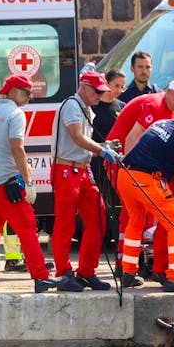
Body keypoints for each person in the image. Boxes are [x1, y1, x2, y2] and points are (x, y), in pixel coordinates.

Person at [0, 74, 71, 294]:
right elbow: (17, 148)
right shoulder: (15, 114)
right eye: (26, 93)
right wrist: (28, 181)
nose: (29, 98)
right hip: (6, 184)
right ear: (14, 91)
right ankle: (41, 278)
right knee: (27, 228)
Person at [116, 103, 174, 292]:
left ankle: (128, 273)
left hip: (125, 175)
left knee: (135, 221)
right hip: (146, 180)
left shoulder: (162, 124)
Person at [49, 70, 119, 292]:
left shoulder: (86, 108)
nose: (100, 96)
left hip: (82, 169)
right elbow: (77, 137)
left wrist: (104, 147)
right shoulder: (72, 105)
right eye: (98, 91)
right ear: (85, 88)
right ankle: (64, 272)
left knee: (98, 218)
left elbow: (83, 140)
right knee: (65, 224)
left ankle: (87, 271)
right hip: (66, 168)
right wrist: (102, 149)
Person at [91, 69, 128, 243]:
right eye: (116, 86)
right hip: (97, 161)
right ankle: (103, 238)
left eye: (122, 86)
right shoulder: (93, 107)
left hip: (118, 163)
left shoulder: (122, 106)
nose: (120, 90)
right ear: (106, 84)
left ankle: (118, 238)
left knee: (119, 203)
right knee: (102, 203)